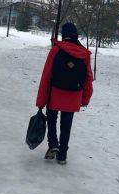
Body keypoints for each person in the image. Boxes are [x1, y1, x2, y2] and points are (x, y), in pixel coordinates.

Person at [36, 22, 93, 164]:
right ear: (76, 35)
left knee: (52, 119)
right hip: (74, 95)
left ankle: (53, 145)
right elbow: (88, 78)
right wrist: (85, 99)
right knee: (66, 124)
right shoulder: (84, 54)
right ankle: (62, 155)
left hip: (55, 93)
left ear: (64, 35)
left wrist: (41, 101)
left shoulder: (56, 50)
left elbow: (46, 75)